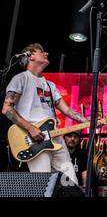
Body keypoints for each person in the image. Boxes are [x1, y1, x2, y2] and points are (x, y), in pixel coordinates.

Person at [1, 43, 88, 185]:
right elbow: (7, 109)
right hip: (35, 139)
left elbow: (67, 110)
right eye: (41, 51)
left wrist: (86, 120)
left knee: (71, 183)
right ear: (30, 56)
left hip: (56, 138)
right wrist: (30, 128)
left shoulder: (50, 85)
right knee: (44, 185)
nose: (46, 53)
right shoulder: (21, 78)